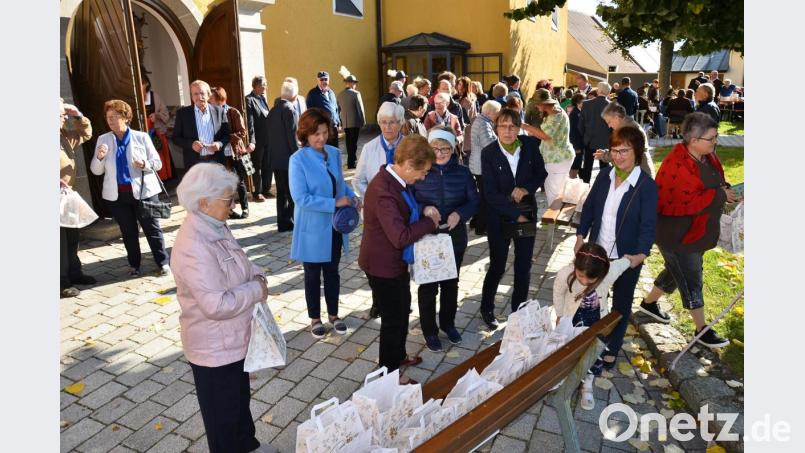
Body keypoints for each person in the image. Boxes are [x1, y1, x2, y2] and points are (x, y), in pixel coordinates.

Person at [170, 163, 273, 453]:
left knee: (239, 402)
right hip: (213, 348)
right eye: (228, 200)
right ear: (204, 202)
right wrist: (255, 290)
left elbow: (237, 261)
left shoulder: (214, 225)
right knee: (222, 418)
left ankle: (248, 445)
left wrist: (256, 273)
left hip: (232, 338)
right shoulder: (194, 244)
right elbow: (215, 304)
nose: (233, 205)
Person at [639, 113, 738, 348]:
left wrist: (726, 190)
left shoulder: (707, 157)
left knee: (676, 271)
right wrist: (719, 195)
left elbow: (712, 183)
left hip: (697, 231)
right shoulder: (676, 164)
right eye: (711, 138)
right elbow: (682, 203)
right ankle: (702, 330)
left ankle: (648, 305)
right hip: (677, 235)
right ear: (694, 140)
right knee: (692, 277)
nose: (715, 142)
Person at [575, 125, 657, 370]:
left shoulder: (646, 186)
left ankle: (612, 347)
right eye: (615, 150)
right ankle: (588, 341)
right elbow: (589, 207)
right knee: (592, 299)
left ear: (638, 152)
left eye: (625, 151)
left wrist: (641, 254)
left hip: (626, 257)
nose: (619, 156)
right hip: (598, 252)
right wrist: (581, 235)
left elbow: (648, 224)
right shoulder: (604, 176)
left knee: (621, 304)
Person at [359, 134, 440, 384]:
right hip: (383, 266)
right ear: (406, 166)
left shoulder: (394, 179)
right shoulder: (384, 190)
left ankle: (398, 355)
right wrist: (430, 222)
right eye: (422, 172)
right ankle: (390, 376)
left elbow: (409, 202)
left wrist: (424, 207)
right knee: (393, 322)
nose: (423, 177)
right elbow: (400, 236)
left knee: (401, 311)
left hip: (393, 263)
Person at [289, 108, 359, 339]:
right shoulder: (297, 160)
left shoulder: (333, 152)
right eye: (315, 134)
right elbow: (301, 198)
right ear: (305, 135)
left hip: (334, 227)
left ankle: (334, 315)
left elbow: (340, 185)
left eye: (324, 132)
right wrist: (335, 203)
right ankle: (315, 318)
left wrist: (352, 195)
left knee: (332, 272)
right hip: (311, 228)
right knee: (312, 274)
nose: (321, 138)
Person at [479, 108, 548, 329]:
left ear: (519, 128)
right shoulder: (488, 153)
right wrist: (514, 214)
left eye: (512, 126)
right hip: (499, 216)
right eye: (503, 126)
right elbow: (489, 193)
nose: (508, 131)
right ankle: (487, 309)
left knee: (523, 265)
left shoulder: (529, 146)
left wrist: (526, 188)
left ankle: (518, 310)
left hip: (526, 212)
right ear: (496, 127)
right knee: (498, 265)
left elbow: (541, 173)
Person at [414, 127, 479, 352]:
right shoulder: (420, 170)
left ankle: (448, 324)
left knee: (451, 283)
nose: (440, 153)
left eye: (446, 148)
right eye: (435, 148)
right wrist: (424, 209)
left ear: (453, 149)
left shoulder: (462, 173)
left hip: (454, 236)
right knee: (428, 285)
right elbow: (409, 200)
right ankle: (429, 330)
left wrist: (459, 214)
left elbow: (474, 200)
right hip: (427, 236)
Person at [91, 99, 170, 277]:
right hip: (118, 196)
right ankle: (134, 265)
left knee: (152, 228)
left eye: (114, 116)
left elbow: (157, 163)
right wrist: (99, 157)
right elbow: (96, 171)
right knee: (128, 232)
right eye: (108, 117)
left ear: (126, 117)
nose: (110, 120)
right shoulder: (103, 140)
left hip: (144, 193)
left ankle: (162, 262)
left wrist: (143, 164)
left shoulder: (141, 137)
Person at [553, 243, 633, 411]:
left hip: (596, 322)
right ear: (575, 265)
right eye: (580, 275)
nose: (584, 281)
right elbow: (558, 294)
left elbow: (621, 264)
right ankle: (569, 378)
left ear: (601, 273)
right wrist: (559, 315)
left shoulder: (608, 273)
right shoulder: (564, 274)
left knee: (593, 352)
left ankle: (588, 383)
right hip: (573, 320)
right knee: (572, 349)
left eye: (590, 279)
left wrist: (633, 258)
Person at [60, 98, 95, 298]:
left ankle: (75, 273)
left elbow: (86, 133)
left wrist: (77, 115)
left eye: (64, 116)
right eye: (60, 116)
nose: (63, 119)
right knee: (59, 242)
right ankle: (61, 282)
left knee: (72, 236)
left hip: (67, 195)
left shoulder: (63, 136)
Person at [521, 88, 575, 204]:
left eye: (537, 105)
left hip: (558, 160)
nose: (536, 107)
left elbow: (546, 136)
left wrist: (525, 126)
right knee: (557, 192)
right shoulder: (553, 112)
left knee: (554, 195)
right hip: (557, 159)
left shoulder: (556, 115)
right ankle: (556, 218)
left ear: (543, 104)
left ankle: (554, 219)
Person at [209, 87, 252, 220]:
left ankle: (245, 207)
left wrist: (227, 137)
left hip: (235, 151)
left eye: (211, 97)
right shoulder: (210, 114)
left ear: (218, 98)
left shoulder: (233, 112)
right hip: (221, 153)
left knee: (239, 180)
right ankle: (230, 210)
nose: (208, 100)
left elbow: (242, 132)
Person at [172, 80, 231, 169]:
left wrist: (219, 144)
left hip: (217, 162)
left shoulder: (219, 111)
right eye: (195, 94)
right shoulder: (183, 114)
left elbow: (227, 135)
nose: (199, 97)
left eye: (202, 93)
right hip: (194, 164)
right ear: (191, 96)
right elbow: (175, 138)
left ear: (208, 95)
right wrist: (191, 144)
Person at [353, 101, 406, 198]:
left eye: (392, 122)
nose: (387, 127)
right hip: (376, 205)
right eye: (384, 122)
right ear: (379, 123)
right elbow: (358, 181)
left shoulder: (410, 146)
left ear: (400, 122)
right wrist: (373, 198)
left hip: (404, 206)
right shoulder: (369, 148)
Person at [267, 81, 300, 231]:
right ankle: (296, 221)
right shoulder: (290, 109)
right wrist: (298, 155)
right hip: (289, 159)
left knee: (281, 192)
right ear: (294, 94)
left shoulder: (272, 110)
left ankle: (283, 223)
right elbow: (291, 136)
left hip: (276, 158)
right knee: (292, 191)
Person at [595, 102, 656, 177]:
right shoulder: (626, 126)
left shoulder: (629, 130)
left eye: (609, 122)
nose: (609, 125)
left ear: (617, 117)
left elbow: (620, 154)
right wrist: (605, 153)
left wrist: (604, 155)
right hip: (635, 173)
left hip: (638, 175)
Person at [469, 100, 501, 236]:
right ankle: (481, 227)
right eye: (497, 113)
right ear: (490, 112)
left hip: (479, 164)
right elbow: (488, 144)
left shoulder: (483, 121)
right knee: (485, 198)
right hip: (481, 166)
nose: (497, 116)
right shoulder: (483, 124)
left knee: (482, 196)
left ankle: (476, 222)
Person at [578, 82, 612, 183]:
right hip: (605, 140)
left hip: (589, 139)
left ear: (598, 91)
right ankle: (603, 188)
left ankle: (584, 187)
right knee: (604, 167)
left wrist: (583, 137)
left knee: (587, 166)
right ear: (608, 92)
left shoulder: (587, 104)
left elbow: (581, 124)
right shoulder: (611, 106)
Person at [245, 76, 273, 201]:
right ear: (256, 86)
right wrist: (252, 140)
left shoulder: (262, 98)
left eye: (266, 84)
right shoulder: (249, 99)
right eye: (263, 85)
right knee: (257, 166)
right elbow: (250, 122)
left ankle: (266, 190)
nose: (265, 87)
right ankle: (257, 192)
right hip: (257, 140)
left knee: (268, 164)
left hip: (268, 138)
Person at [141, 74, 173, 180]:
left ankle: (161, 180)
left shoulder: (154, 96)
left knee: (158, 157)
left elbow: (166, 114)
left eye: (141, 83)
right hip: (141, 134)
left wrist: (157, 115)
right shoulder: (132, 97)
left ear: (146, 84)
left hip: (156, 133)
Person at [306, 71, 341, 148]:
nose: (324, 81)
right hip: (322, 129)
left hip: (333, 128)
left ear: (329, 80)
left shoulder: (331, 92)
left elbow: (336, 108)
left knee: (334, 149)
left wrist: (338, 123)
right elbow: (310, 112)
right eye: (321, 79)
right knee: (324, 150)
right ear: (317, 80)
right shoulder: (312, 94)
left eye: (326, 79)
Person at [337, 74, 366, 169]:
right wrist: (363, 121)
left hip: (345, 122)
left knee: (348, 142)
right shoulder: (356, 93)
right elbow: (360, 109)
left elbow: (338, 110)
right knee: (353, 143)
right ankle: (351, 163)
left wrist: (340, 122)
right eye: (354, 83)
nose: (355, 85)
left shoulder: (340, 95)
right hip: (355, 122)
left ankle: (351, 161)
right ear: (351, 83)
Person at [567, 93, 586, 180]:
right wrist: (576, 147)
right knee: (575, 165)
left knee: (577, 165)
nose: (585, 102)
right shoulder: (575, 114)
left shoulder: (578, 112)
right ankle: (572, 183)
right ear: (578, 102)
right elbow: (573, 132)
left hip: (579, 143)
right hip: (577, 144)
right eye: (583, 101)